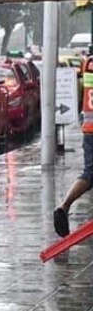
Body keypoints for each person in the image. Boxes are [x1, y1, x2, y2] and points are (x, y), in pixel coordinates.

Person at [55, 55, 93, 236]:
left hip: (89, 127)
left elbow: (81, 92)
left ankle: (64, 205)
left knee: (89, 173)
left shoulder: (88, 63)